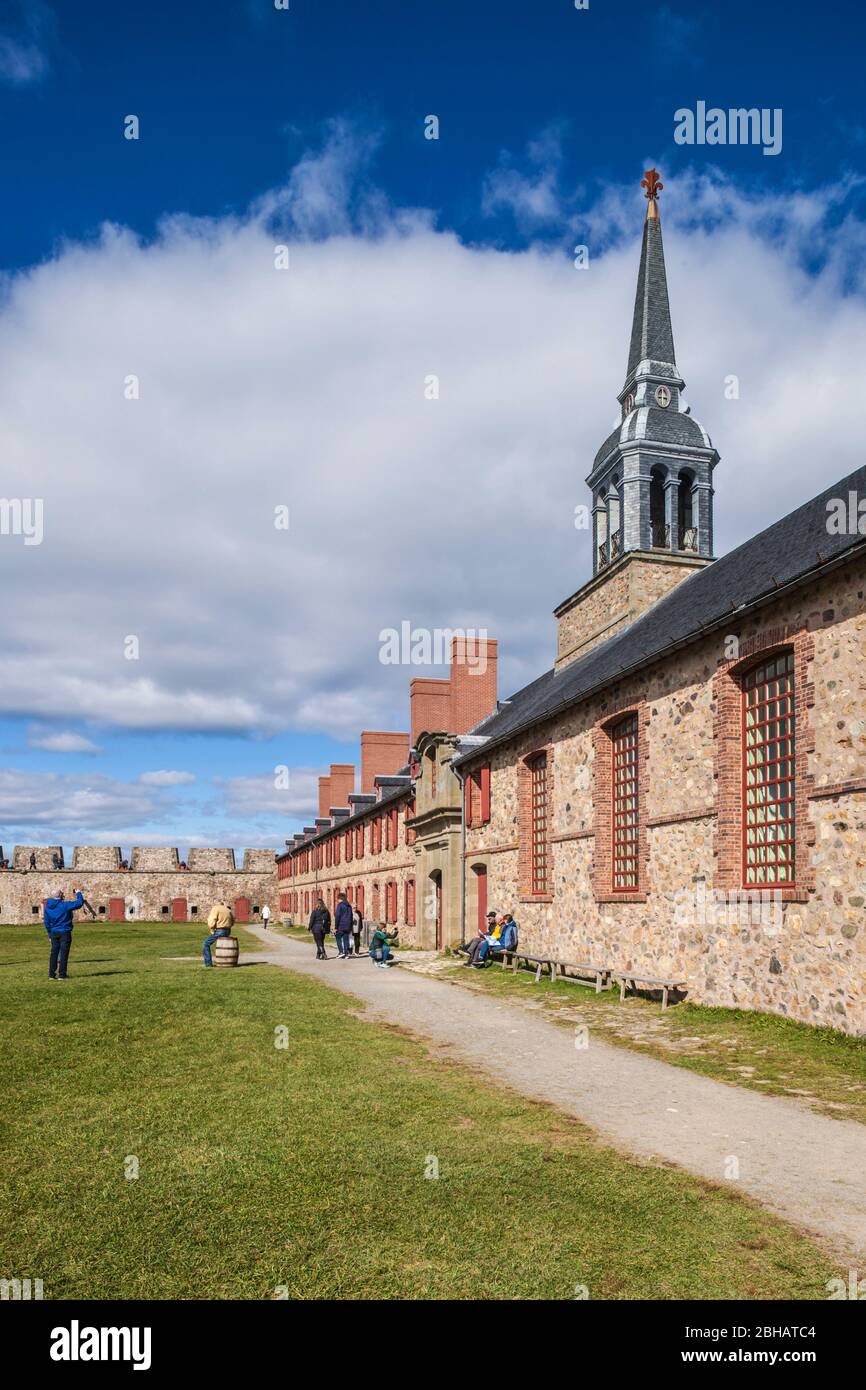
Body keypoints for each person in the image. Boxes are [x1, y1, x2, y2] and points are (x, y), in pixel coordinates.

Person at [44, 887, 86, 980]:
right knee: (64, 953)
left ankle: (51, 974)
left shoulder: (48, 907)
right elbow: (79, 903)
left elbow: (46, 922)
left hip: (54, 932)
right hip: (65, 931)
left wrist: (49, 934)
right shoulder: (64, 905)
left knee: (53, 953)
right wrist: (78, 893)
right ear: (60, 895)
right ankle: (62, 975)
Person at [202, 900, 234, 968]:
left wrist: (212, 928)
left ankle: (208, 964)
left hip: (220, 930)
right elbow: (233, 921)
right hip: (228, 930)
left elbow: (212, 920)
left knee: (206, 943)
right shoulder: (227, 910)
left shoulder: (215, 908)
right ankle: (226, 962)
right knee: (223, 946)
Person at [308, 895, 331, 959]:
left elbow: (312, 920)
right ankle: (318, 955)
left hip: (316, 928)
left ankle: (324, 954)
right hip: (323, 928)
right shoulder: (326, 911)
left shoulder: (315, 912)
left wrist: (309, 928)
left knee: (318, 942)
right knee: (321, 941)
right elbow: (329, 920)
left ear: (317, 904)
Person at [333, 892, 353, 959]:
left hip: (341, 925)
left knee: (338, 937)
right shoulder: (349, 906)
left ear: (339, 899)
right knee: (346, 939)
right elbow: (351, 916)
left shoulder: (340, 905)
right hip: (348, 926)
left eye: (338, 899)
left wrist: (336, 927)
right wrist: (350, 926)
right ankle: (346, 954)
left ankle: (341, 952)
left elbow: (337, 916)